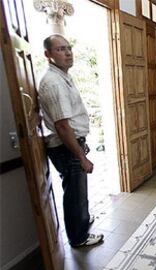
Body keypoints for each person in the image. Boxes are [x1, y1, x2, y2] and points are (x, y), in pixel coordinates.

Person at [38, 34, 104, 247]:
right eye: (60, 49)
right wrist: (82, 157)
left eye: (68, 48)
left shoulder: (63, 76)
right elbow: (62, 126)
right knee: (74, 191)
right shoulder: (53, 82)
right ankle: (79, 237)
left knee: (78, 188)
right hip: (66, 146)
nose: (67, 53)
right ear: (48, 54)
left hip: (70, 143)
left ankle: (81, 221)